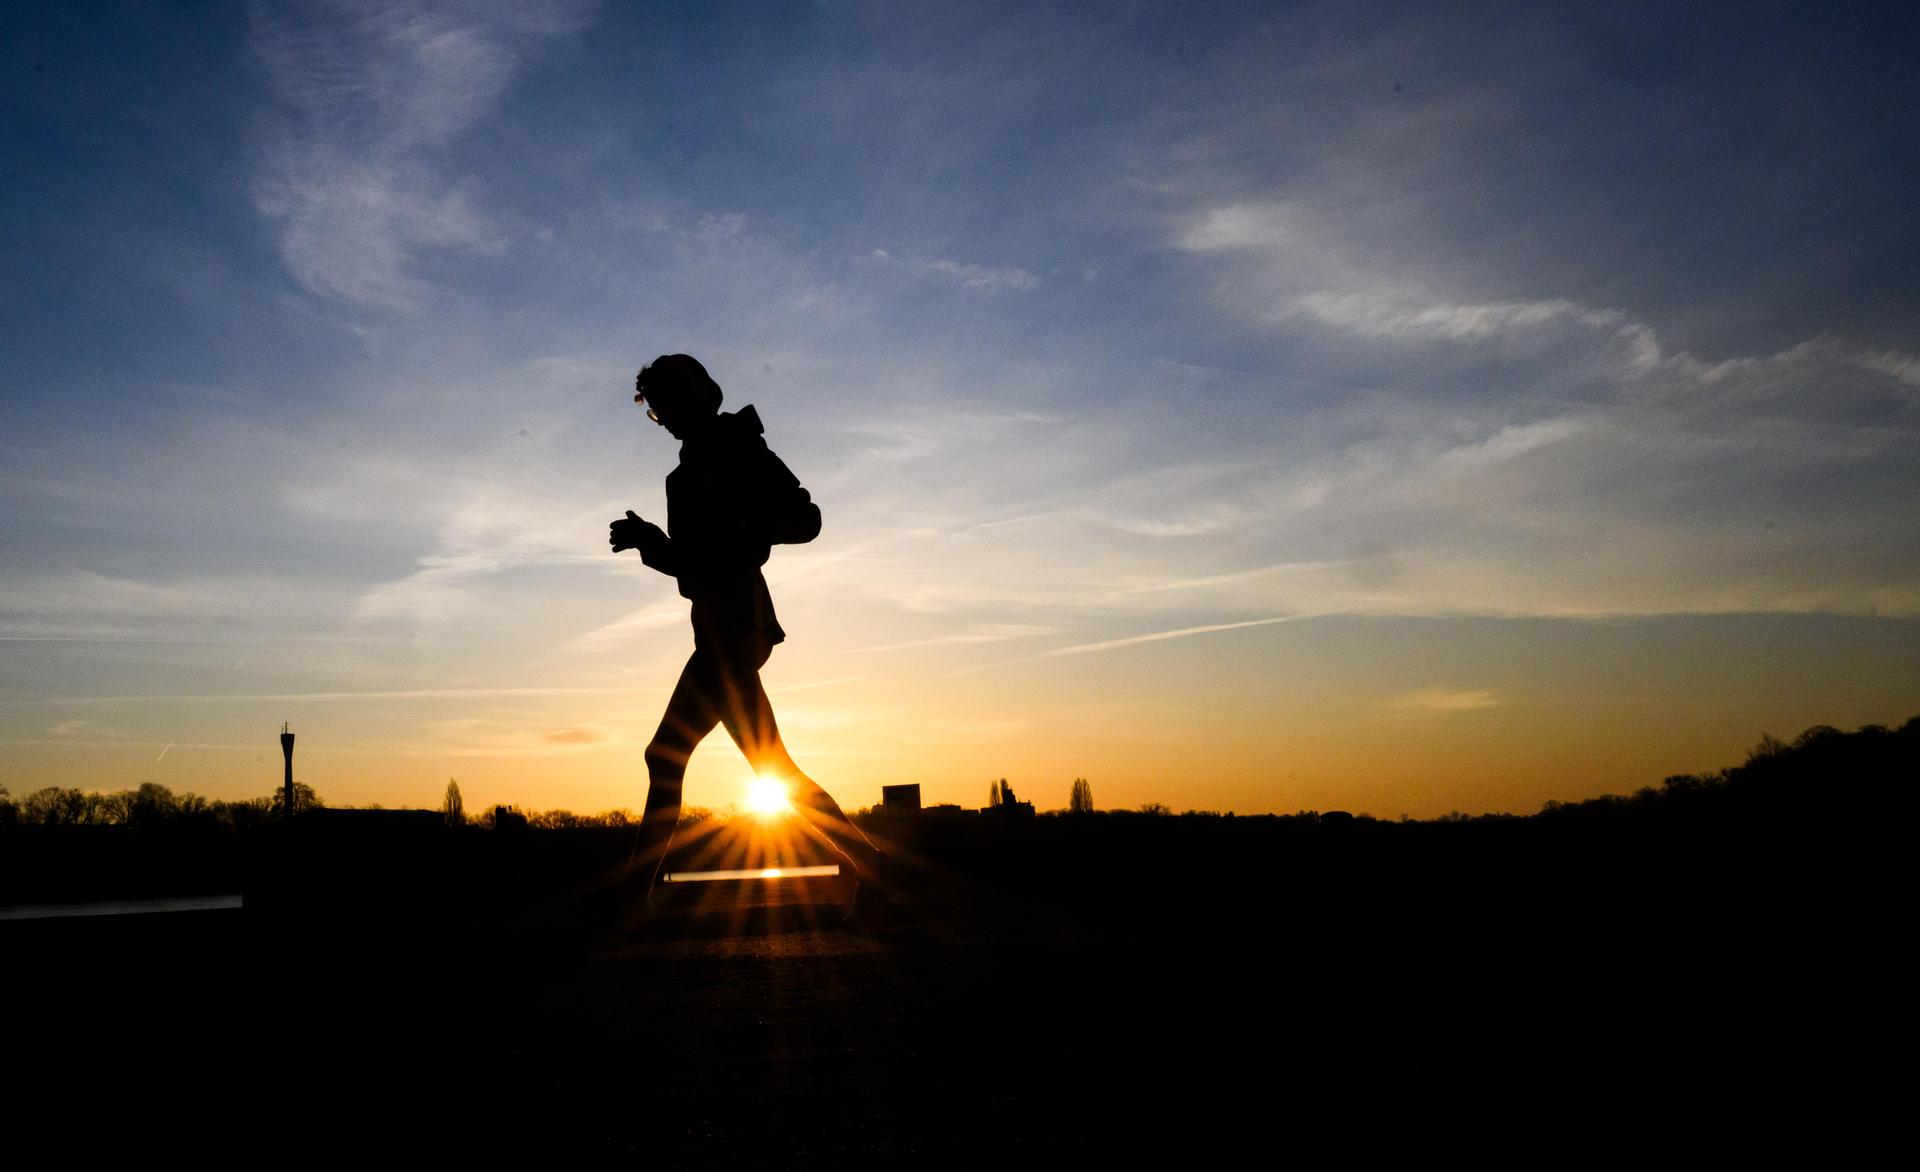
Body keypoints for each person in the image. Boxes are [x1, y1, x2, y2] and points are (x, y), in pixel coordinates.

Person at [609, 354, 886, 912]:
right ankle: (881, 880)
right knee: (769, 766)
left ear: (704, 393)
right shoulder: (681, 477)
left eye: (674, 398)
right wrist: (651, 543)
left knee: (667, 756)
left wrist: (740, 528)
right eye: (659, 405)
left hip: (740, 625)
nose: (668, 412)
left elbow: (805, 520)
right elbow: (694, 565)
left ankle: (628, 901)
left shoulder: (740, 445)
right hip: (713, 628)